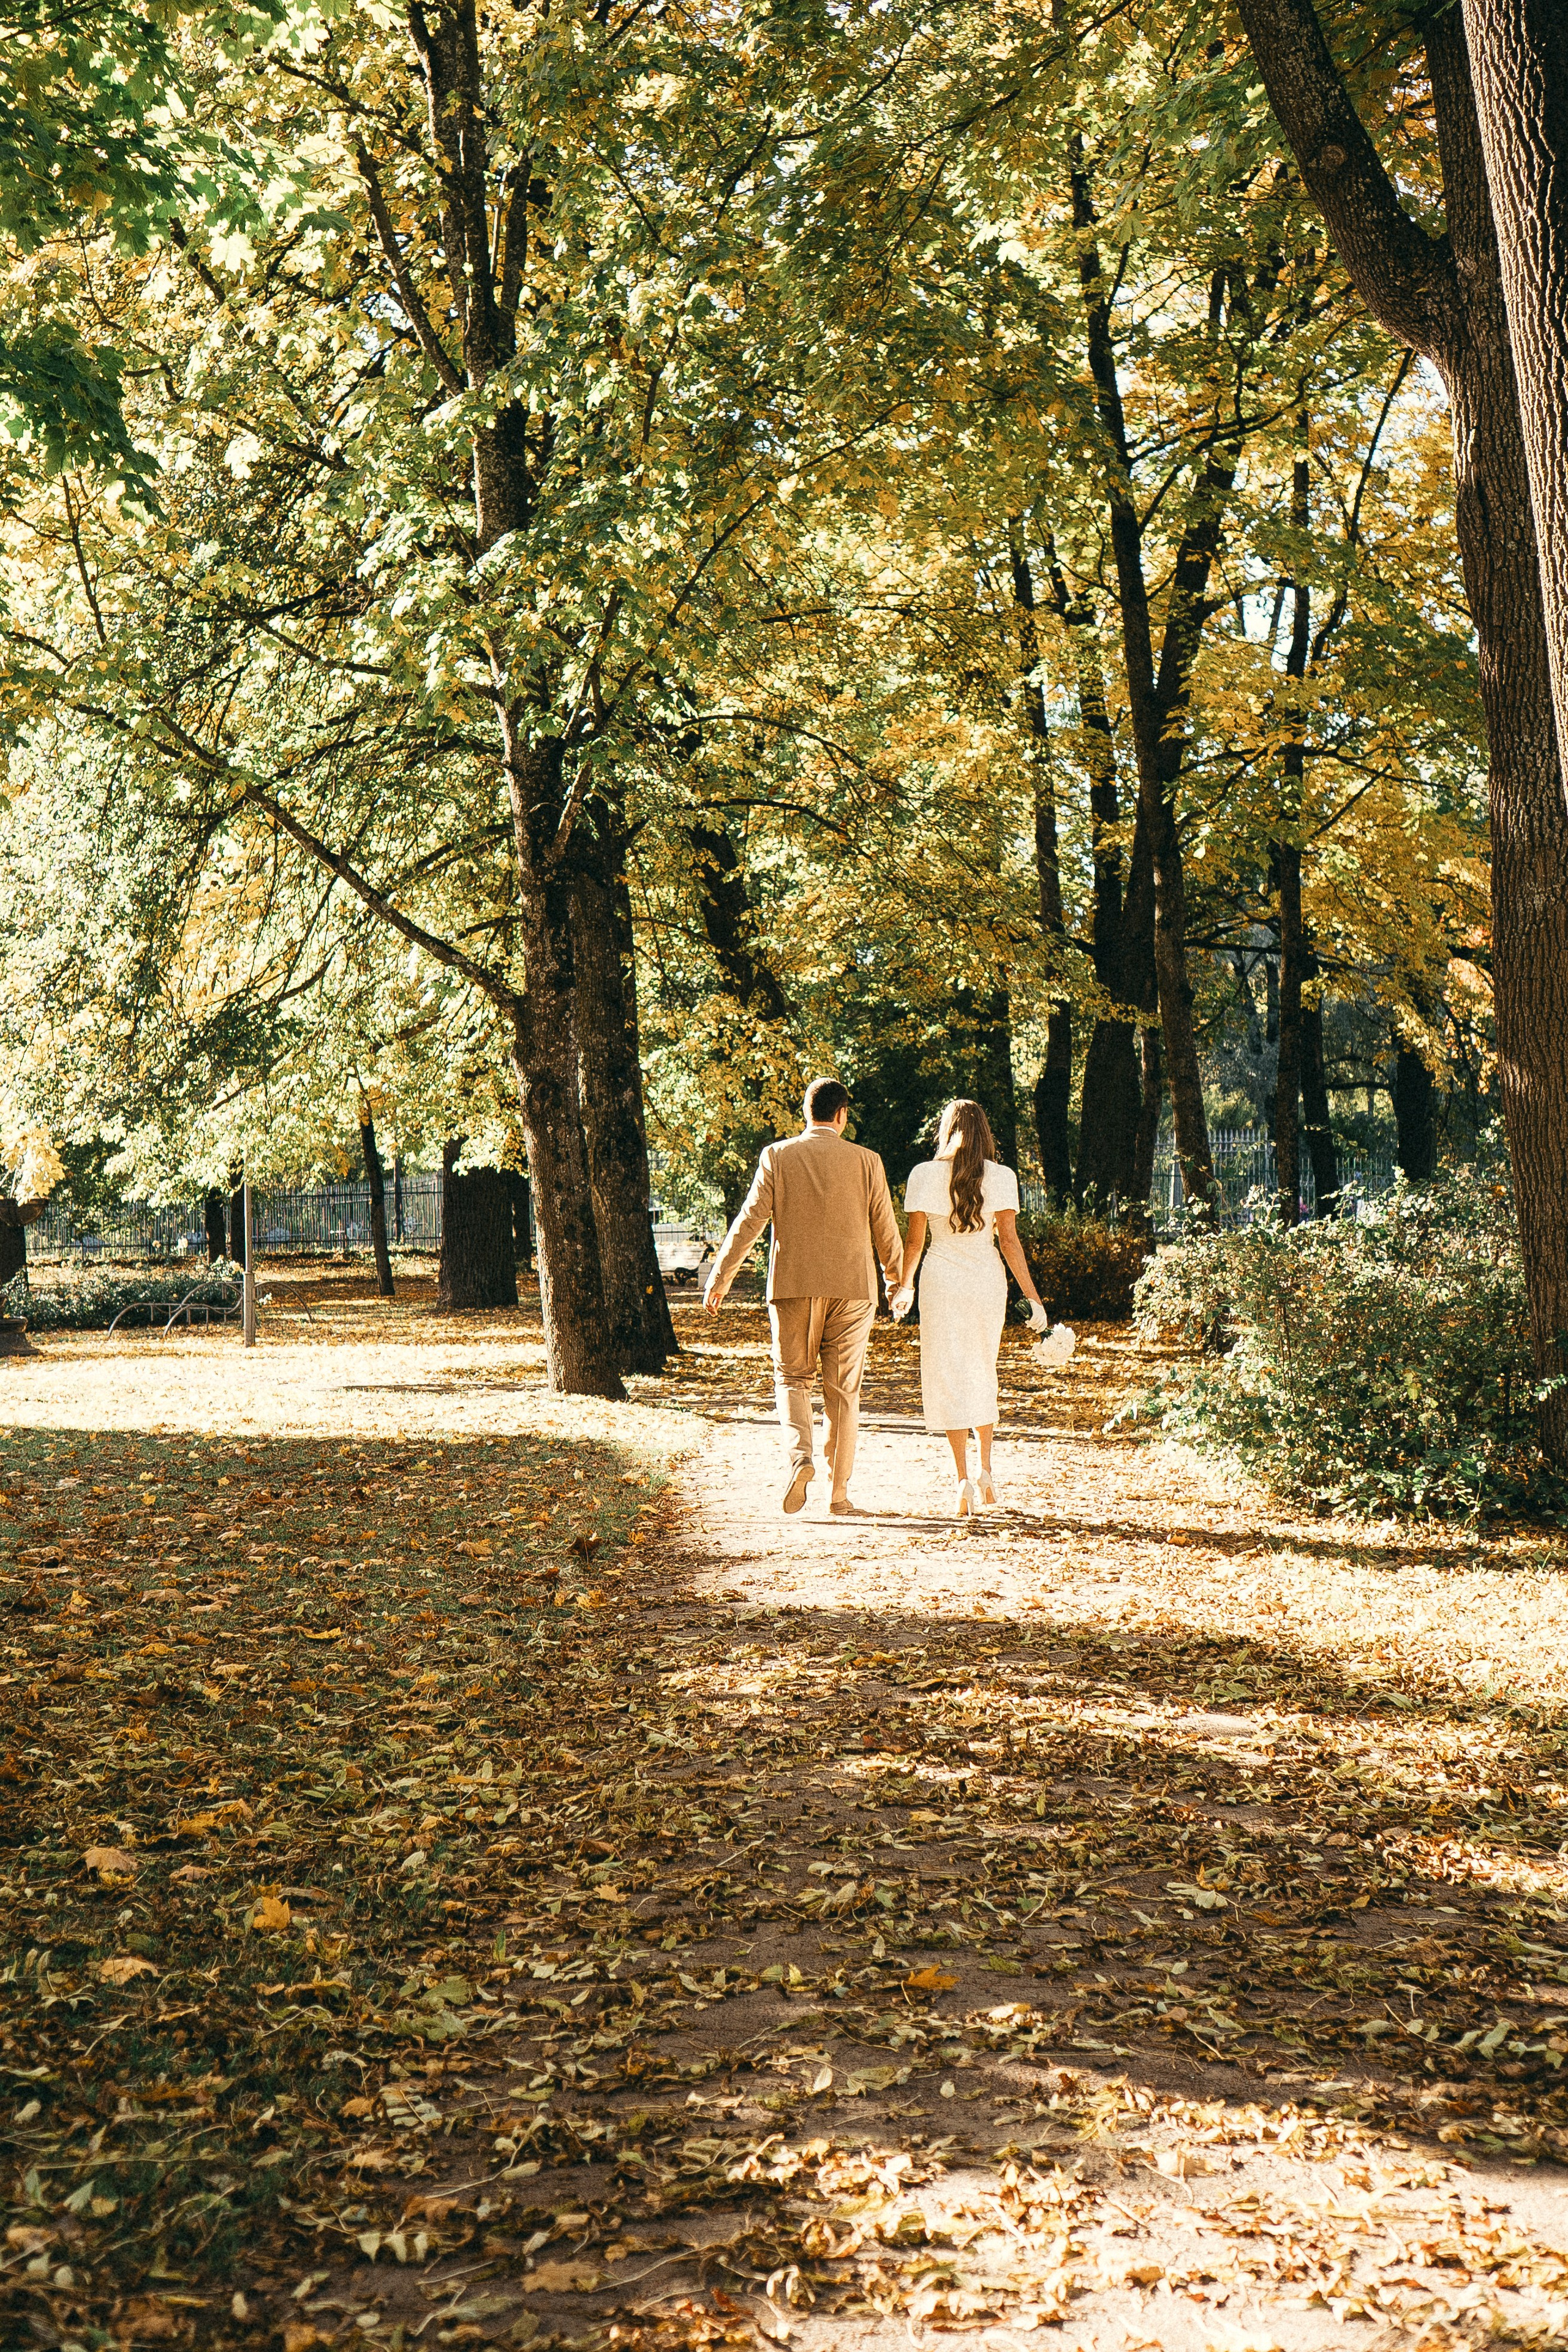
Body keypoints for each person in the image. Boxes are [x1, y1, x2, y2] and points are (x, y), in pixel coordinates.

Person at [703, 1076, 902, 1516]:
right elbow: (885, 1227)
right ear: (842, 1114)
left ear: (806, 1113)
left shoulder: (778, 1155)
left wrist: (721, 1277)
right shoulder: (868, 1161)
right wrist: (897, 1281)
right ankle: (839, 1495)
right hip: (854, 1288)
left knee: (793, 1378)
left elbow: (750, 1220)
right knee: (843, 1390)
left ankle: (800, 1459)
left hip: (793, 1285)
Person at [892, 1098, 1049, 1516]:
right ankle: (986, 1470)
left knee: (948, 1371)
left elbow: (914, 1241)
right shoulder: (1002, 1177)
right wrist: (1033, 1297)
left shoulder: (924, 1175)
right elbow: (1010, 1242)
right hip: (985, 1279)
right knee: (981, 1366)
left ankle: (961, 1478)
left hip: (941, 1279)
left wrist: (903, 1286)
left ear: (946, 1130)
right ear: (985, 1131)